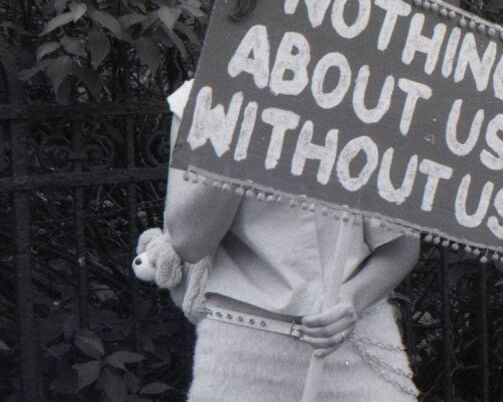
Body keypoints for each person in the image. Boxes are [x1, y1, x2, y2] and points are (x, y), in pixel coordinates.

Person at [162, 79, 420, 401]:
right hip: (242, 354)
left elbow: (401, 246)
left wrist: (352, 299)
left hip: (354, 343)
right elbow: (188, 240)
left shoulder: (369, 102)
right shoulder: (203, 99)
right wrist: (242, 136)